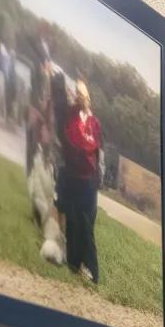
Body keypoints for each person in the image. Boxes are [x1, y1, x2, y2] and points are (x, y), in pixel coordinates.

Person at [63, 80, 103, 284]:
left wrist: (84, 145)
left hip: (89, 181)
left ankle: (92, 270)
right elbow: (69, 141)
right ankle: (73, 263)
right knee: (73, 220)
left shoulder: (95, 123)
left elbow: (96, 147)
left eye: (83, 94)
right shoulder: (71, 117)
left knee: (87, 224)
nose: (81, 97)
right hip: (74, 176)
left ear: (88, 97)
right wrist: (82, 146)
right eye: (78, 93)